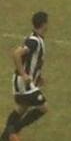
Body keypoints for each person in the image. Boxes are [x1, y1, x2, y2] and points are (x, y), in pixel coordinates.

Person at [1, 12, 50, 141]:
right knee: (43, 107)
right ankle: (13, 131)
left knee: (21, 109)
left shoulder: (37, 39)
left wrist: (38, 77)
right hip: (23, 83)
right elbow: (16, 54)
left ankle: (5, 137)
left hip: (25, 82)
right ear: (44, 24)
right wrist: (23, 74)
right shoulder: (34, 41)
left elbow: (33, 61)